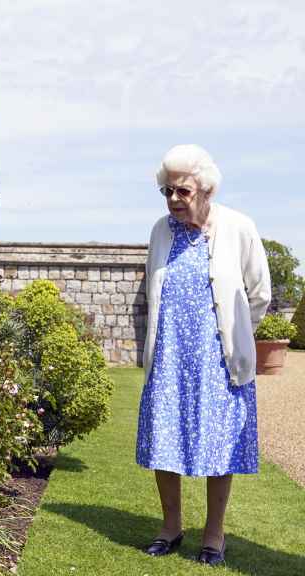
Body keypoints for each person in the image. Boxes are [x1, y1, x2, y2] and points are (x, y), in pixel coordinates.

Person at [135, 144, 271, 566]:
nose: (174, 199)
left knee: (219, 447)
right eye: (167, 191)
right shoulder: (160, 231)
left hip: (218, 362)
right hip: (170, 357)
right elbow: (152, 291)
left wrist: (236, 337)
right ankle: (170, 527)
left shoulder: (239, 227)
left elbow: (259, 294)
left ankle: (214, 534)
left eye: (183, 191)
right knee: (164, 441)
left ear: (206, 189)